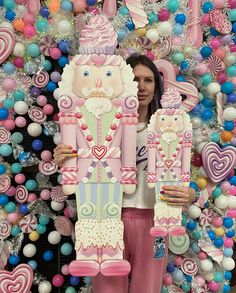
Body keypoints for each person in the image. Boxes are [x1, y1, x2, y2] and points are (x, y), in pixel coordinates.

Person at [54, 54, 196, 293]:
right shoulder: (95, 125)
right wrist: (65, 156)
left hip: (154, 222)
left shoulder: (169, 128)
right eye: (135, 79)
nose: (141, 87)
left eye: (148, 80)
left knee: (148, 288)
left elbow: (184, 176)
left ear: (156, 86)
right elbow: (80, 170)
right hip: (110, 218)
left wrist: (190, 195)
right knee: (107, 288)